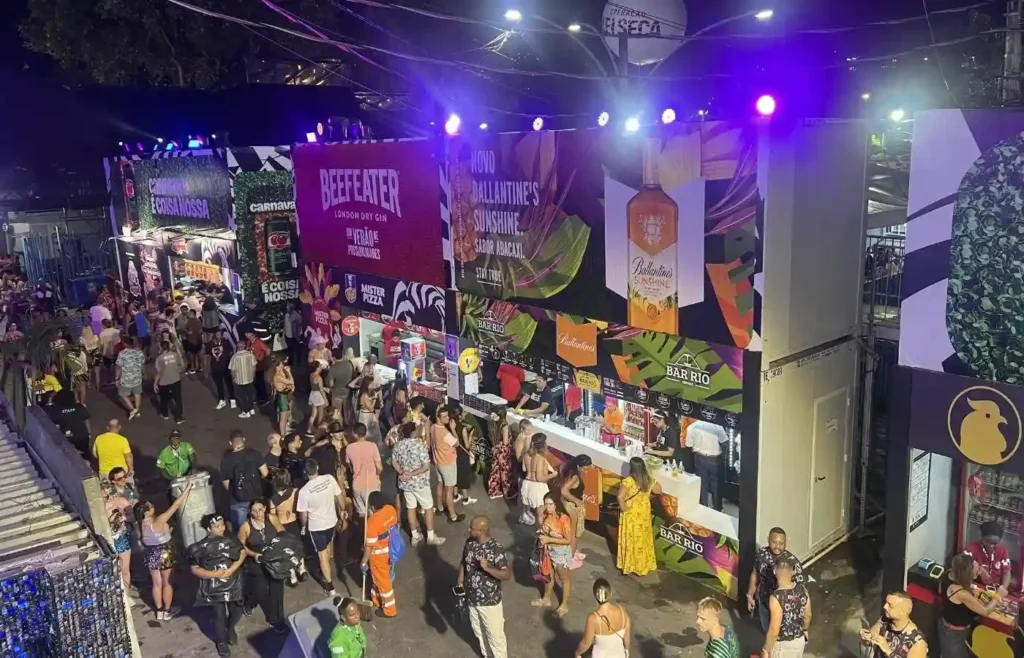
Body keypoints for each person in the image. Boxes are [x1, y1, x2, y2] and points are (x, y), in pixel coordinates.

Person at [187, 513, 248, 657]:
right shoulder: (198, 548)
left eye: (222, 525)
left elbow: (242, 553)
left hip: (233, 583)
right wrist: (215, 574)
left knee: (237, 610)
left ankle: (230, 627)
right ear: (208, 529)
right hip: (213, 586)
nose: (222, 529)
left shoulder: (230, 539)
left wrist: (232, 569)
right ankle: (221, 642)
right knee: (218, 615)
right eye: (217, 526)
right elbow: (194, 569)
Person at [134, 480, 193, 621]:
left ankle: (159, 611)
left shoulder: (141, 523)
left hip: (151, 553)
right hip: (164, 552)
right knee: (167, 583)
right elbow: (176, 505)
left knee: (156, 583)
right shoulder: (158, 520)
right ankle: (167, 610)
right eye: (151, 506)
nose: (154, 507)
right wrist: (187, 489)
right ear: (147, 511)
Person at [459, 515, 510, 658]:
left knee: (495, 637)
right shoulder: (470, 543)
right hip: (472, 599)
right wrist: (460, 580)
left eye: (472, 528)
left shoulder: (496, 549)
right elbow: (464, 562)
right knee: (479, 632)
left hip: (489, 602)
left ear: (480, 531)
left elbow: (506, 575)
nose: (468, 530)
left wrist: (487, 568)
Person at [297, 458, 347, 596]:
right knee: (328, 547)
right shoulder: (329, 479)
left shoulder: (304, 491)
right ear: (317, 467)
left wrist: (303, 526)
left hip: (317, 526)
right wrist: (342, 510)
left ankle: (330, 587)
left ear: (305, 472)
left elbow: (303, 514)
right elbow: (339, 495)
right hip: (331, 521)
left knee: (321, 554)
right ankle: (328, 569)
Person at [237, 498, 288, 632]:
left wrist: (280, 547)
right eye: (254, 511)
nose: (258, 513)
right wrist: (254, 554)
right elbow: (240, 546)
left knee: (277, 590)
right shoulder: (246, 526)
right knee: (259, 592)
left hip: (274, 559)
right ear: (250, 512)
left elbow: (282, 533)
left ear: (265, 508)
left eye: (260, 509)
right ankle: (249, 602)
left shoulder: (272, 518)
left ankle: (277, 619)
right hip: (257, 561)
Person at [392, 421, 446, 546]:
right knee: (427, 508)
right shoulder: (419, 445)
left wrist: (402, 472)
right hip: (420, 482)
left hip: (405, 483)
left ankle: (415, 535)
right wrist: (413, 473)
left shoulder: (398, 445)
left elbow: (394, 462)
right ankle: (431, 536)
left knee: (411, 508)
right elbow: (426, 466)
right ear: (412, 432)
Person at [938, 553, 999, 658]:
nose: (978, 572)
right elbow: (985, 611)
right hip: (954, 634)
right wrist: (999, 595)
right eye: (976, 571)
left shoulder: (949, 573)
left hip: (947, 627)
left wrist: (981, 570)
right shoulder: (960, 593)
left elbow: (967, 561)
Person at [747, 527, 805, 632]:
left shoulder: (793, 563)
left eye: (781, 543)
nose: (777, 546)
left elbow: (800, 592)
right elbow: (755, 573)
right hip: (764, 602)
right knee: (767, 631)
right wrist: (750, 594)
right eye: (774, 542)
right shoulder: (761, 554)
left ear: (786, 543)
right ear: (768, 539)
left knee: (778, 636)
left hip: (783, 609)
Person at [616, 457, 661, 577]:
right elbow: (659, 490)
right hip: (643, 513)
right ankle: (643, 565)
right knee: (642, 539)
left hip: (631, 514)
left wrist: (624, 508)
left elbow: (620, 496)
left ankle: (630, 565)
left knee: (631, 539)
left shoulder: (629, 481)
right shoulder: (648, 479)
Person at [762, 555, 811, 658]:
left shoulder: (776, 597)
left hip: (783, 646)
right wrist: (805, 629)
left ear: (775, 571)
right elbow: (808, 616)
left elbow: (774, 630)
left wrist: (766, 650)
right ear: (793, 572)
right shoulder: (802, 589)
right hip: (799, 641)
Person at [534, 492, 573, 616]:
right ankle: (546, 599)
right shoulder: (546, 514)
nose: (547, 507)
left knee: (563, 578)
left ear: (556, 504)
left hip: (560, 552)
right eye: (546, 504)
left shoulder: (563, 519)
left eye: (550, 504)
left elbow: (568, 540)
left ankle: (564, 604)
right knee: (548, 575)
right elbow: (542, 527)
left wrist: (549, 539)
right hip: (548, 550)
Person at [221, 431, 267, 531]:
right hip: (256, 496)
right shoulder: (255, 454)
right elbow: (265, 473)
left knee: (240, 528)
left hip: (237, 499)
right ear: (244, 440)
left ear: (230, 443)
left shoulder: (227, 460)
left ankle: (242, 544)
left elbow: (226, 483)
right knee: (259, 524)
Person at [362, 490, 398, 618]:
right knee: (379, 579)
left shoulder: (372, 522)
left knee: (383, 582)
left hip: (378, 556)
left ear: (372, 507)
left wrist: (363, 561)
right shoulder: (390, 509)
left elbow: (369, 546)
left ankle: (390, 609)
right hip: (391, 551)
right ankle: (377, 600)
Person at [859, 592, 927, 658]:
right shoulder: (884, 620)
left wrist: (888, 651)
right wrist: (864, 637)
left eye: (890, 605)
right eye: (886, 603)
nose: (885, 606)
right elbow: (868, 642)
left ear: (903, 611)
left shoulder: (917, 641)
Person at [574, 579, 631, 658]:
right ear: (610, 593)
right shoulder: (622, 611)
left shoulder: (593, 619)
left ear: (595, 596)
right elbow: (626, 637)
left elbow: (586, 643)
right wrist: (626, 650)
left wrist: (577, 653)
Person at [686, 419, 730, 511]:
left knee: (702, 484)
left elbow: (689, 445)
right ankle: (718, 508)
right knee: (716, 485)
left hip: (699, 458)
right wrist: (723, 457)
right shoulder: (717, 426)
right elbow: (725, 442)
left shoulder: (692, 427)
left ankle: (703, 508)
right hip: (715, 459)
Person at [432, 406, 464, 523]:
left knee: (440, 485)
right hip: (448, 463)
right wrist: (453, 429)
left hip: (437, 461)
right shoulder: (446, 433)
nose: (448, 418)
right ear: (439, 418)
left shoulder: (433, 427)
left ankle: (440, 507)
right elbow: (457, 443)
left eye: (447, 415)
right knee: (449, 490)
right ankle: (453, 515)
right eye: (444, 416)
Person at [103, 484, 135, 601]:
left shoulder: (121, 501)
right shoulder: (99, 507)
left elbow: (132, 516)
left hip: (121, 537)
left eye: (107, 494)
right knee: (114, 570)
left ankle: (127, 594)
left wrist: (124, 517)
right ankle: (117, 596)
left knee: (125, 568)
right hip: (108, 538)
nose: (106, 497)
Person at [966, 520, 1013, 595]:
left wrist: (1003, 588)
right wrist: (980, 569)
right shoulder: (972, 547)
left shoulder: (1003, 551)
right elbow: (964, 561)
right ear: (982, 537)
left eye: (995, 543)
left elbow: (1006, 572)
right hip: (977, 586)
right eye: (987, 542)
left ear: (1000, 541)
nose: (991, 546)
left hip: (996, 589)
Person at [347, 422, 383, 518]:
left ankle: (363, 531)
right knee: (374, 514)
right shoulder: (372, 446)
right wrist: (377, 475)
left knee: (362, 514)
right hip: (371, 483)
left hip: (357, 484)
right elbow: (379, 467)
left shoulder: (349, 448)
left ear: (354, 434)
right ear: (365, 433)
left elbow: (349, 465)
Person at [522, 434, 558, 527]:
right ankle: (541, 537)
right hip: (539, 488)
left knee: (539, 514)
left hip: (531, 485)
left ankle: (539, 536)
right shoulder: (540, 459)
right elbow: (540, 478)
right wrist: (553, 475)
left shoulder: (534, 456)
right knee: (541, 515)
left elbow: (525, 469)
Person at [559, 455, 589, 563]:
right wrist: (576, 501)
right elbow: (564, 491)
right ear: (578, 466)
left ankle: (573, 551)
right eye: (585, 468)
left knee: (574, 531)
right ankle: (570, 558)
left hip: (569, 505)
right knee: (574, 533)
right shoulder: (575, 477)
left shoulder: (571, 471)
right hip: (572, 507)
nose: (586, 471)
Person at [486, 411, 518, 500]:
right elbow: (505, 442)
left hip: (495, 449)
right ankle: (508, 492)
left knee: (495, 471)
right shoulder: (504, 426)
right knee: (506, 472)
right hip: (503, 452)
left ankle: (493, 491)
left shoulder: (493, 423)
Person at [154, 340, 185, 423]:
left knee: (164, 398)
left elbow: (158, 372)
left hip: (164, 381)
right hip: (175, 379)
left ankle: (165, 414)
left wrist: (155, 383)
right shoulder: (175, 355)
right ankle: (179, 417)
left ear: (161, 347)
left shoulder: (159, 358)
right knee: (178, 398)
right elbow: (181, 365)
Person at [115, 336, 145, 420]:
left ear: (125, 344)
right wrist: (143, 373)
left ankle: (132, 409)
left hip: (126, 379)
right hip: (137, 377)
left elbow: (118, 367)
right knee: (137, 393)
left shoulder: (122, 354)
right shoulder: (139, 352)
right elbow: (142, 363)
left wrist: (117, 378)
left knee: (123, 395)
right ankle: (137, 409)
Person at [207, 329, 236, 410]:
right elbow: (207, 356)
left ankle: (232, 399)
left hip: (225, 366)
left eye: (220, 334)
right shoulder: (210, 344)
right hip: (215, 368)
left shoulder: (225, 342)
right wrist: (207, 368)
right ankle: (221, 399)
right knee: (219, 385)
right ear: (214, 335)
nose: (220, 336)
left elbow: (231, 352)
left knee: (228, 383)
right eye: (218, 334)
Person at [229, 340, 258, 419]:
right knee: (250, 395)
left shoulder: (235, 357)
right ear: (245, 346)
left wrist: (233, 378)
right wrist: (253, 375)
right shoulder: (250, 355)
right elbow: (254, 366)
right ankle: (251, 409)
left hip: (239, 380)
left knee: (242, 397)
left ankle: (246, 411)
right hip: (249, 379)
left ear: (237, 347)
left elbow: (232, 370)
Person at [326, 347, 355, 414]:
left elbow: (331, 384)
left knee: (337, 413)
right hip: (348, 392)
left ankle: (338, 424)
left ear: (334, 357)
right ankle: (349, 424)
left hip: (336, 393)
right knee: (348, 412)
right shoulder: (349, 364)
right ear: (342, 355)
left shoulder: (333, 368)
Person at [98, 318, 121, 386]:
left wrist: (100, 352)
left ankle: (110, 380)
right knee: (118, 366)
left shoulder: (102, 334)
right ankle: (117, 378)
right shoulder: (117, 331)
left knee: (108, 368)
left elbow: (101, 344)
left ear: (103, 325)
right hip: (117, 351)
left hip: (106, 353)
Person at [307, 365, 328, 436]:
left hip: (312, 394)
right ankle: (319, 432)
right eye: (319, 367)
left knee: (313, 414)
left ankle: (308, 430)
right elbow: (321, 389)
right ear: (317, 368)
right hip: (318, 396)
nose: (321, 368)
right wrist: (326, 399)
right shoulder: (319, 377)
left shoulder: (311, 375)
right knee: (320, 414)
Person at [183, 309, 204, 374]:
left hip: (191, 340)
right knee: (198, 353)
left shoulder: (189, 322)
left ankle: (192, 368)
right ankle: (200, 366)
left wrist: (186, 332)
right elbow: (201, 331)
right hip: (199, 340)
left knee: (191, 354)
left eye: (189, 313)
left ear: (192, 314)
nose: (188, 314)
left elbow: (187, 331)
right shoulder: (199, 321)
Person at [283, 302, 304, 367]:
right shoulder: (286, 315)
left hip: (296, 337)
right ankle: (291, 361)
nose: (286, 308)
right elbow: (286, 325)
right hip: (288, 336)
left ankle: (298, 362)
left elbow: (298, 327)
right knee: (290, 350)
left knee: (298, 350)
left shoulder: (297, 316)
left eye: (287, 307)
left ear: (291, 308)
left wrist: (297, 337)